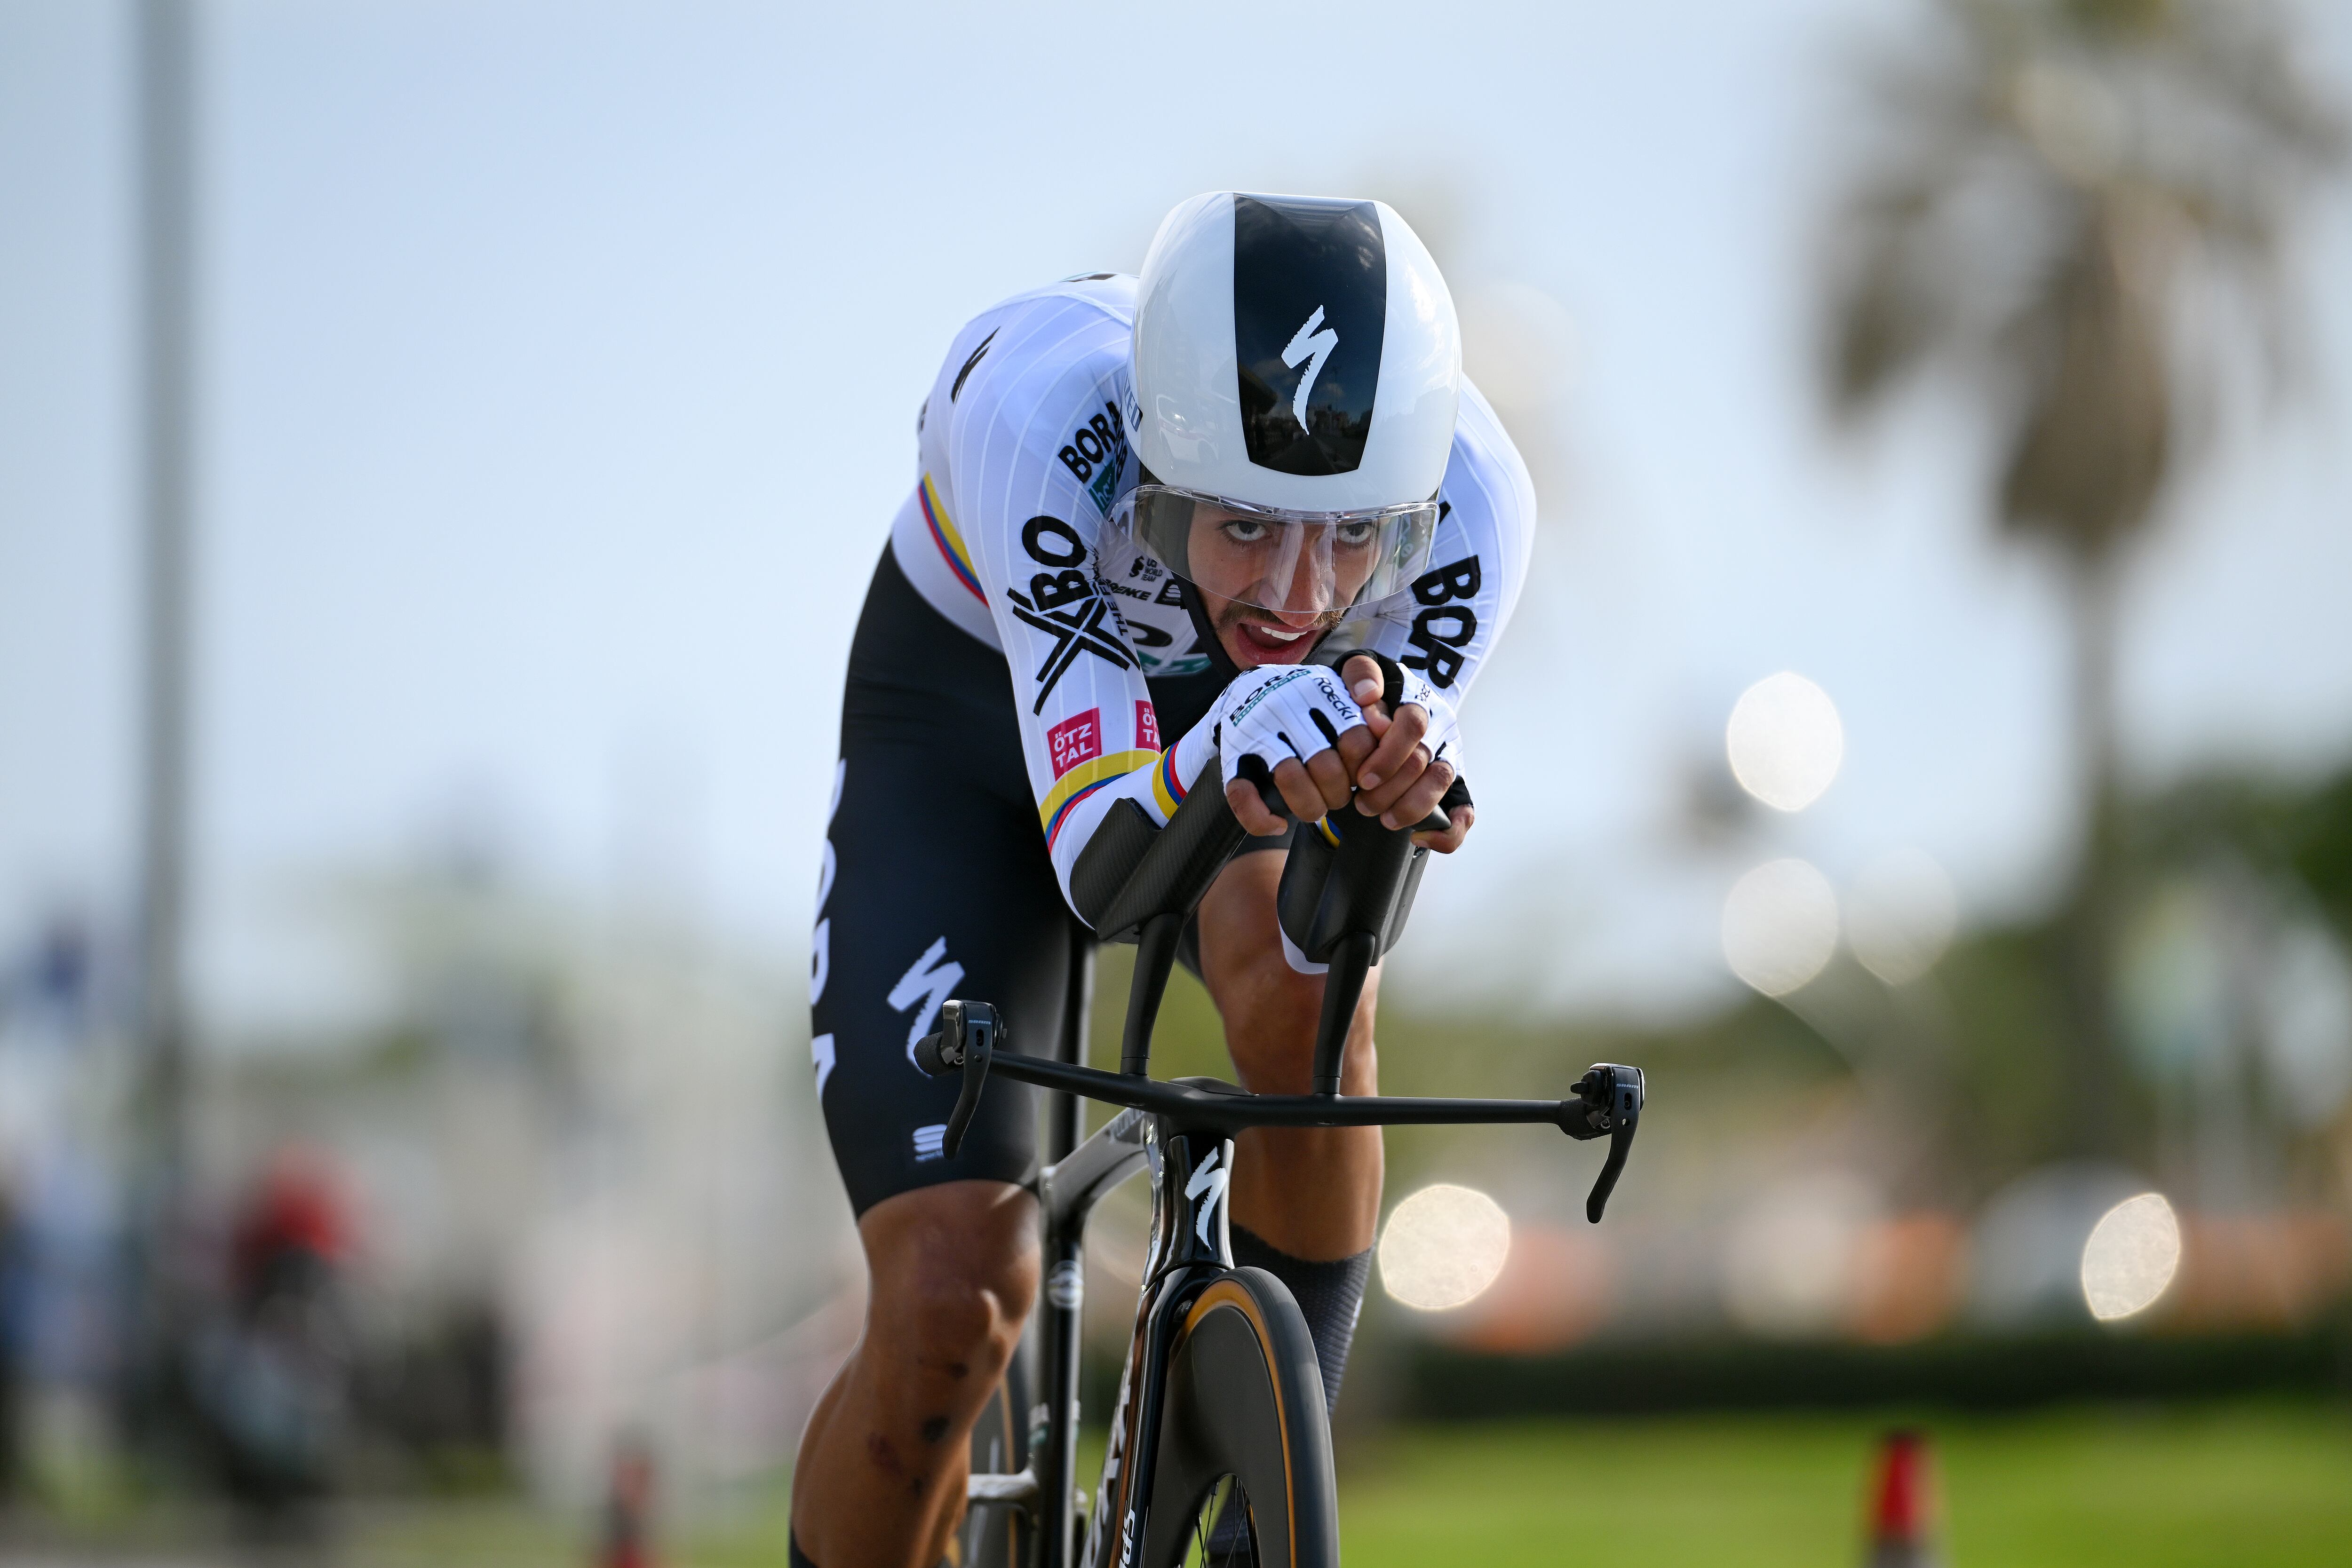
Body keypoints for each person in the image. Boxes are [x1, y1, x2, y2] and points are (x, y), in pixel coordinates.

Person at [795, 191, 1533, 1568]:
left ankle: (1251, 1523)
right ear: (1160, 470)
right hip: (962, 720)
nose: (1300, 594)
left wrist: (1393, 781)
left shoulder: (1481, 499)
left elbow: (1353, 915)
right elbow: (1102, 877)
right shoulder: (1040, 416)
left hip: (1219, 732)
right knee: (956, 1295)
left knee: (1312, 1004)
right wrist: (1217, 745)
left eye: (1354, 535)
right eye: (1247, 522)